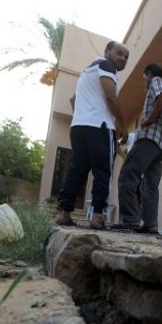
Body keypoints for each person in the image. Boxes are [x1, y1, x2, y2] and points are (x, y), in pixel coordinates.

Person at [54, 40, 129, 229]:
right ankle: (97, 217)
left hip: (78, 126)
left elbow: (73, 100)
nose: (122, 58)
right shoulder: (106, 66)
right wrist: (122, 125)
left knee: (76, 170)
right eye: (119, 53)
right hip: (100, 126)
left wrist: (83, 115)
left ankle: (64, 214)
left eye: (126, 57)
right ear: (107, 52)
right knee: (103, 172)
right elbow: (111, 96)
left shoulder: (87, 72)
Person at [111, 63, 162, 234]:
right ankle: (151, 224)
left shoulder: (156, 82)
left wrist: (150, 120)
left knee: (128, 175)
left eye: (144, 77)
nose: (144, 81)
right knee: (150, 185)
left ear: (149, 74)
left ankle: (131, 220)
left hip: (148, 140)